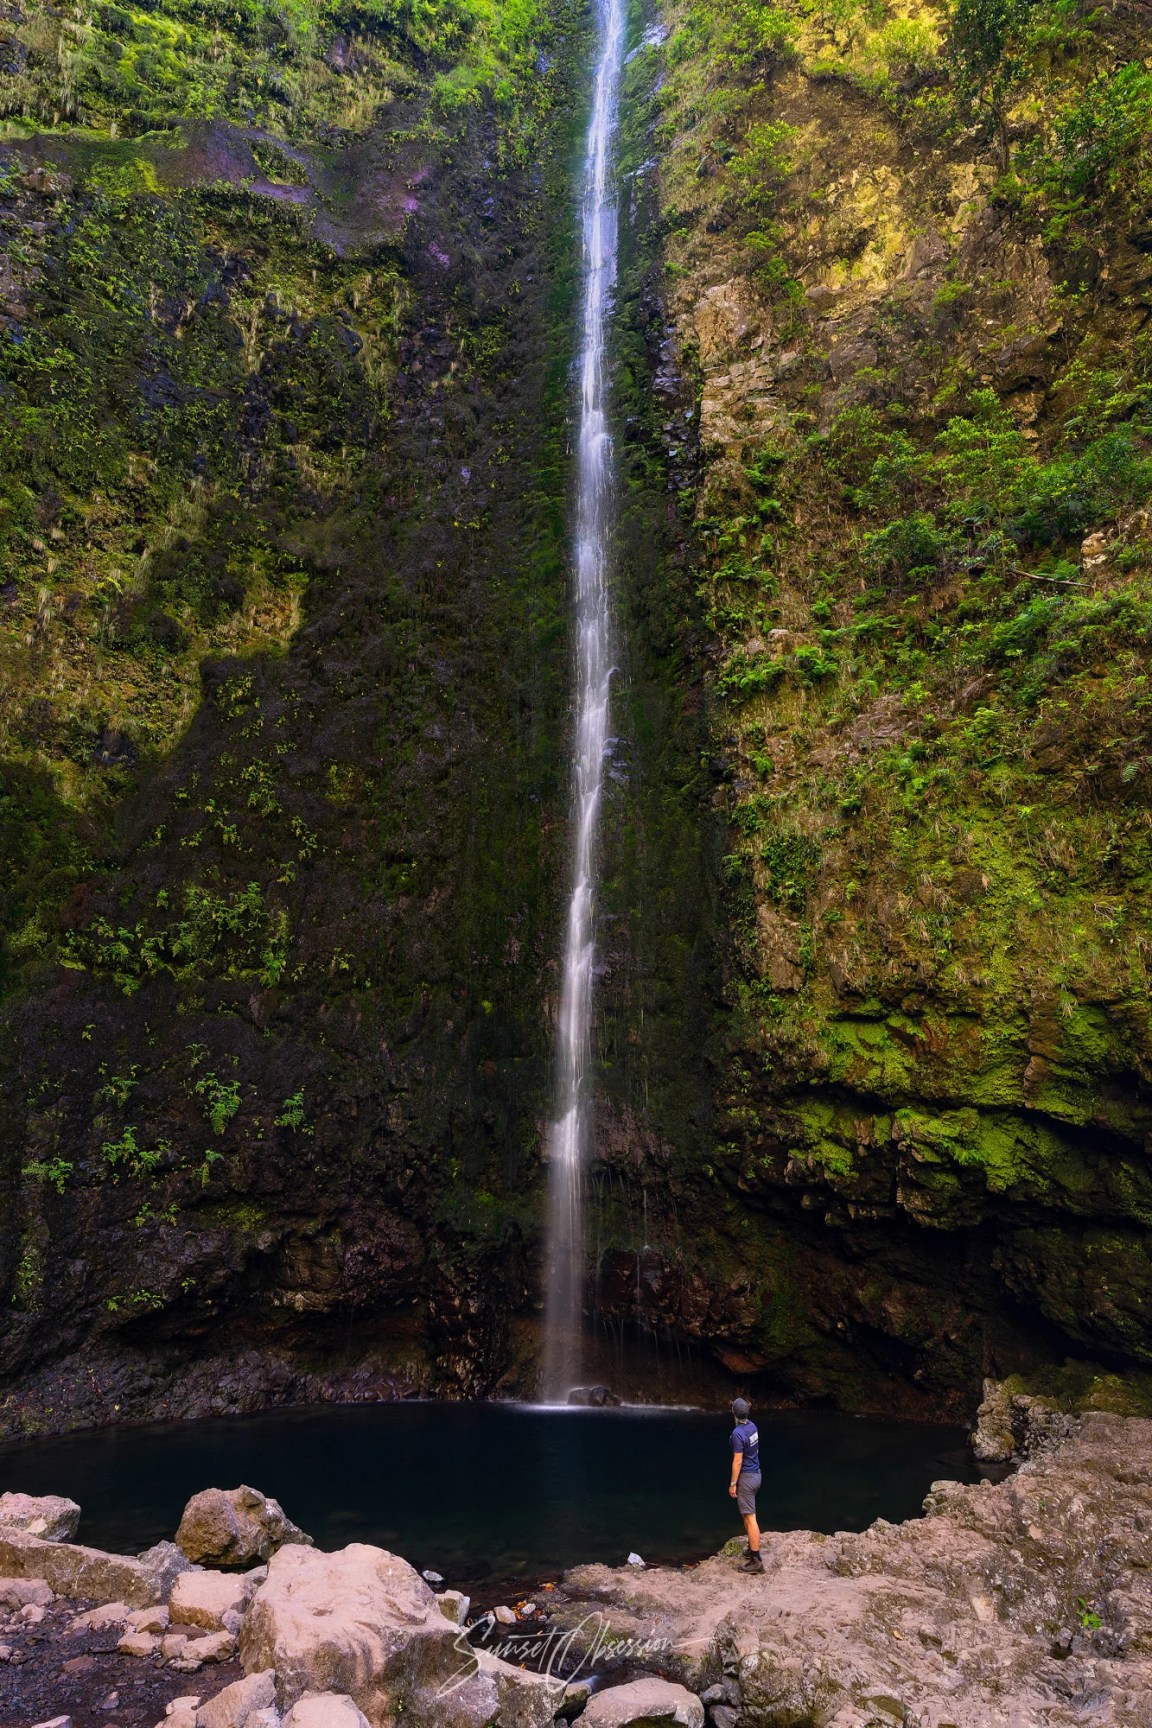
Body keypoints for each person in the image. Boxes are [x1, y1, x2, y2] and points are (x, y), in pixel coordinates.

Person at [728, 1396, 763, 1573]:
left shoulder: (737, 1433)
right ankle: (751, 1547)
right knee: (746, 1515)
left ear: (733, 1412)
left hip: (747, 1479)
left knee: (750, 1518)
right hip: (756, 1474)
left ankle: (756, 1561)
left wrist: (733, 1483)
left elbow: (737, 1461)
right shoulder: (752, 1426)